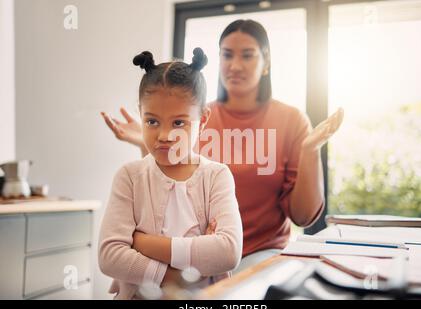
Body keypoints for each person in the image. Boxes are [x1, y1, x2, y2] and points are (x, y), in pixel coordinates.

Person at [101, 19, 343, 273]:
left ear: (266, 62)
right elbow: (161, 192)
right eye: (227, 55)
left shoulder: (291, 121)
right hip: (191, 251)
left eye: (247, 55)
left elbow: (303, 217)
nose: (235, 65)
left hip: (258, 253)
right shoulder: (189, 118)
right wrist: (147, 143)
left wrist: (309, 151)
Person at [98, 48, 243, 300]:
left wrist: (142, 243)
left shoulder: (217, 176)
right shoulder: (130, 177)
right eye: (152, 121)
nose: (165, 135)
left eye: (178, 123)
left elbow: (228, 252)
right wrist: (171, 277)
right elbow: (110, 256)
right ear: (140, 114)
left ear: (204, 118)